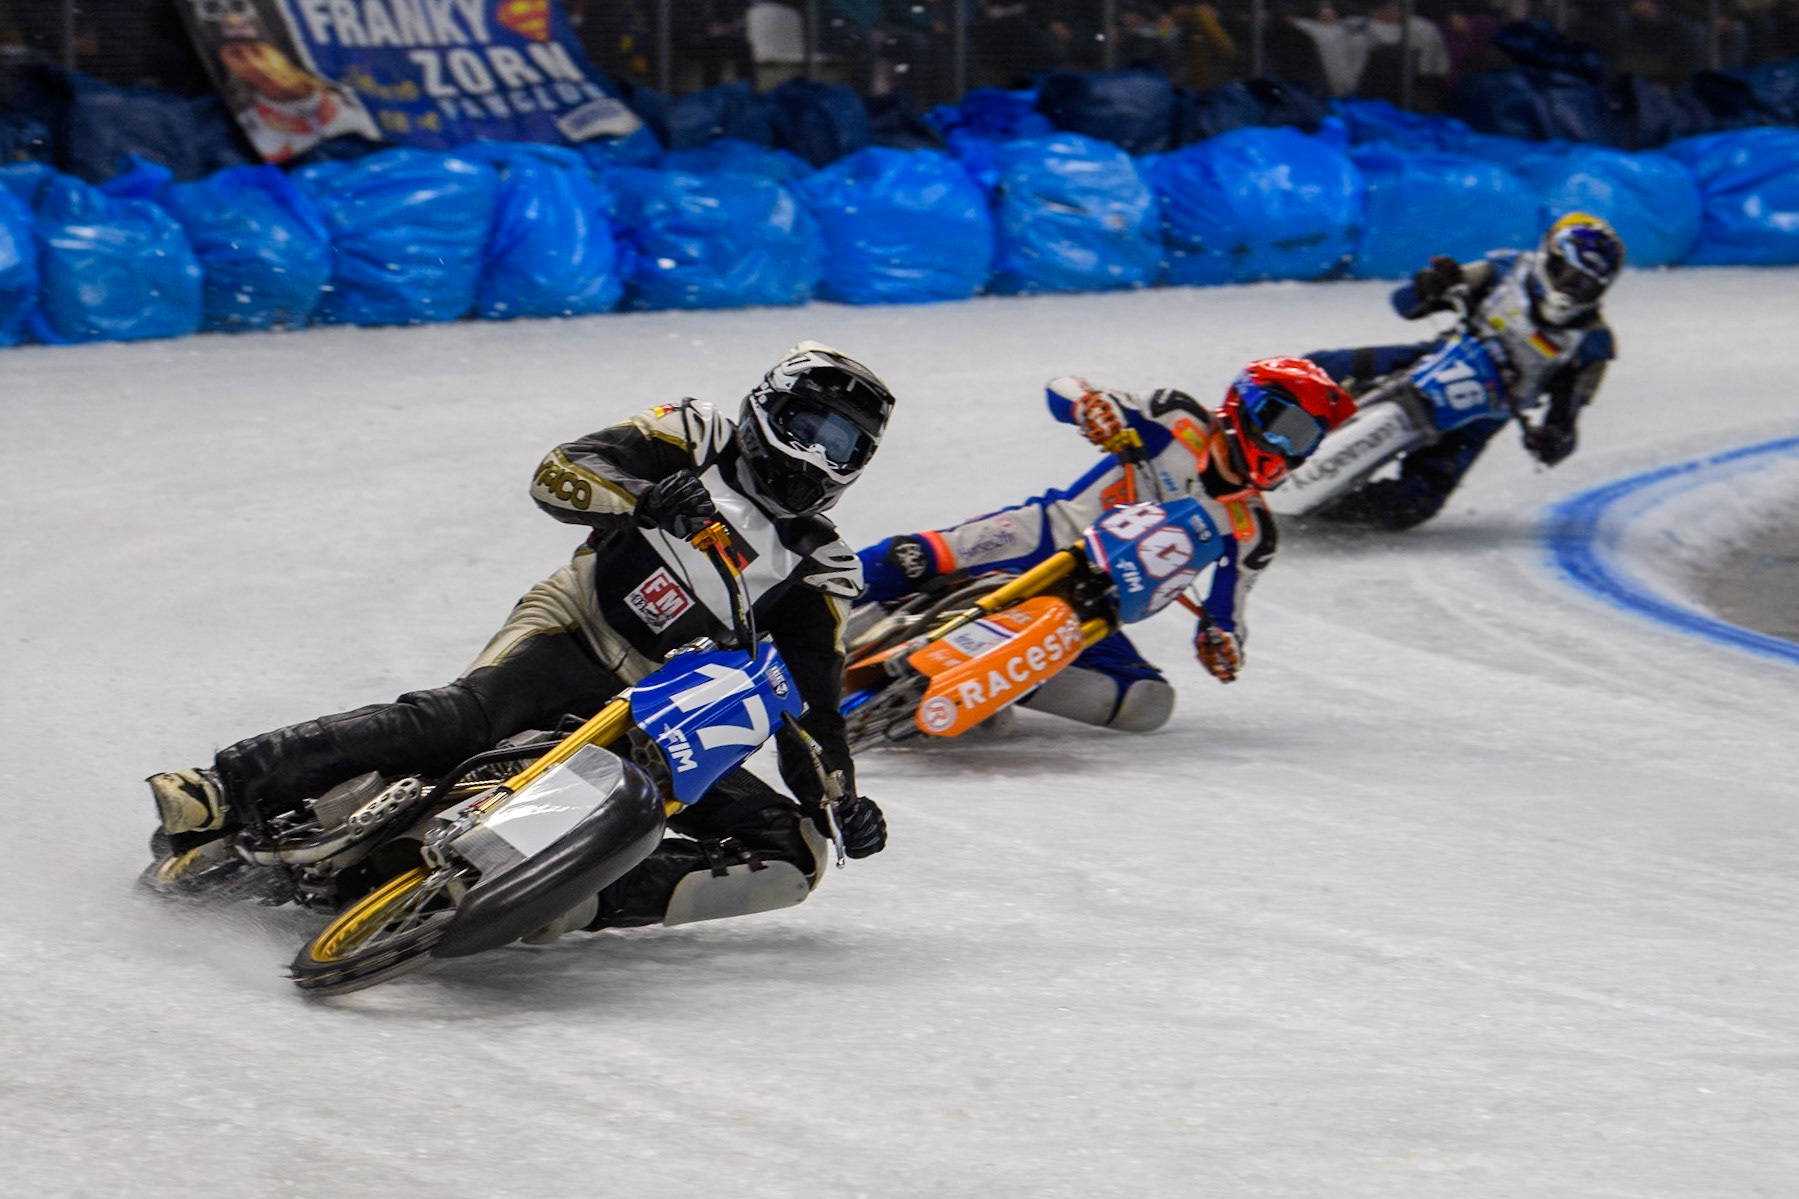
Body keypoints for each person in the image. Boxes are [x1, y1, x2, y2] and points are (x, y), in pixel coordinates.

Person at [145, 343, 895, 932]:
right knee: (465, 718)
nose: (816, 458)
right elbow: (559, 472)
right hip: (575, 623)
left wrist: (841, 800)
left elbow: (809, 705)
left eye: (844, 448)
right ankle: (224, 785)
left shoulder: (822, 565)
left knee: (793, 850)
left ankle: (567, 904)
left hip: (661, 709)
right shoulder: (692, 432)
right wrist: (642, 499)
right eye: (807, 429)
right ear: (766, 409)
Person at [855, 358, 1356, 733]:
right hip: (1041, 536)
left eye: (1304, 440)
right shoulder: (1176, 419)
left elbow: (1228, 614)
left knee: (1144, 702)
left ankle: (991, 680)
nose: (1286, 450)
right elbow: (1063, 388)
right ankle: (803, 598)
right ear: (1248, 405)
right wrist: (1090, 407)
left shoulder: (1253, 532)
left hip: (1094, 612)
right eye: (1282, 428)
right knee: (908, 558)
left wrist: (1222, 642)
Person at [1303, 213, 1625, 530]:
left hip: (1479, 418)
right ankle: (1258, 410)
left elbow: (1566, 422)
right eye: (1567, 276)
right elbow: (1404, 303)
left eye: (1583, 285)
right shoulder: (1504, 270)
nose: (1570, 290)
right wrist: (1432, 284)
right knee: (1319, 367)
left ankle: (1316, 516)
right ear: (1549, 258)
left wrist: (1551, 440)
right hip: (1433, 358)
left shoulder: (1592, 345)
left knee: (1414, 503)